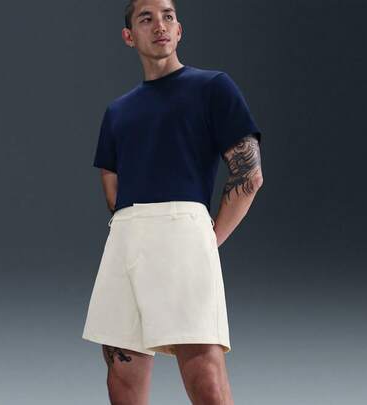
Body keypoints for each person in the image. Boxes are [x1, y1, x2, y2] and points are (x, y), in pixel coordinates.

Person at [82, 0, 263, 404]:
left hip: (183, 229)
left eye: (168, 16)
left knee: (204, 374)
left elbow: (249, 175)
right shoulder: (118, 111)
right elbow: (111, 182)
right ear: (129, 36)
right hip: (125, 237)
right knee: (121, 376)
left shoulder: (213, 87)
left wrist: (207, 239)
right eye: (146, 18)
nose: (160, 25)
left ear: (179, 30)